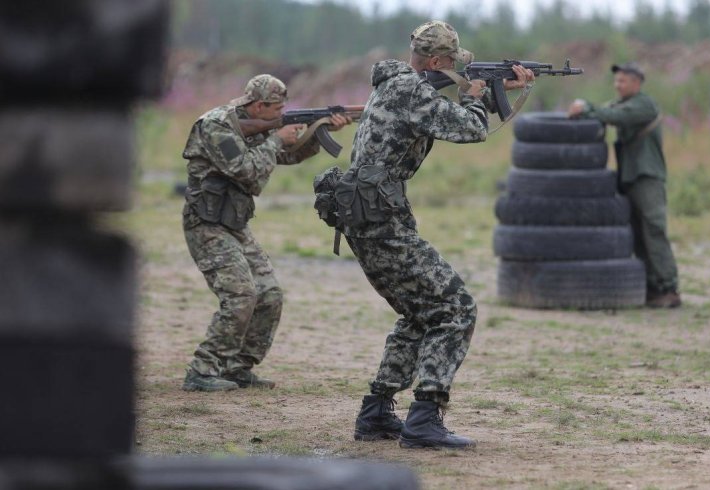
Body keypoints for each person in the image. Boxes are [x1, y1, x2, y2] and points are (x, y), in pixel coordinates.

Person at [342, 21, 533, 449]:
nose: (454, 70)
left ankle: (376, 412)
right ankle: (425, 418)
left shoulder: (398, 86)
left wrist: (493, 91)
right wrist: (475, 94)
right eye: (450, 64)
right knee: (455, 308)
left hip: (368, 214)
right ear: (433, 63)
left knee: (420, 313)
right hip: (379, 219)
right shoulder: (409, 90)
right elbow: (469, 128)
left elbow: (444, 117)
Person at [181, 74, 351, 392]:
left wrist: (318, 132)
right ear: (258, 106)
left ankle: (236, 367)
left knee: (269, 295)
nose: (280, 114)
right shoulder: (216, 125)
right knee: (241, 295)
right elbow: (247, 172)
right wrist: (276, 138)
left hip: (234, 221)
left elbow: (286, 156)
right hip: (206, 223)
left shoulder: (258, 124)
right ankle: (202, 370)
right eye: (276, 109)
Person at [568, 62, 681, 308]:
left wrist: (587, 108)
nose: (618, 85)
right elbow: (609, 111)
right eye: (616, 81)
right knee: (638, 234)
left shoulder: (644, 104)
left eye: (623, 81)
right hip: (630, 177)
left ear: (637, 83)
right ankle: (652, 288)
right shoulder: (622, 103)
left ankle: (668, 288)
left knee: (654, 231)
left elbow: (615, 116)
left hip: (647, 177)